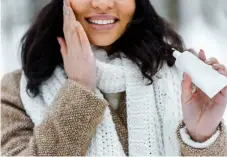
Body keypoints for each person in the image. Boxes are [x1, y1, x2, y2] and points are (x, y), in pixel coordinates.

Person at [1, 0, 227, 156]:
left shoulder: (181, 79)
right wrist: (79, 89)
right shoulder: (17, 92)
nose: (102, 3)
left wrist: (201, 138)